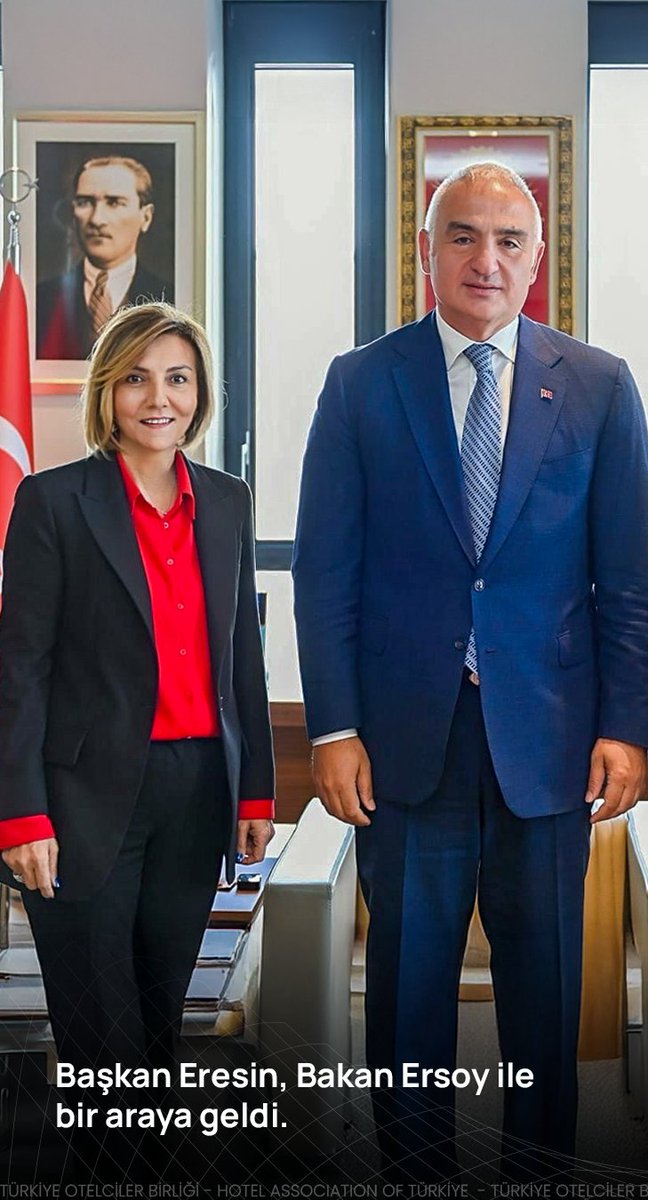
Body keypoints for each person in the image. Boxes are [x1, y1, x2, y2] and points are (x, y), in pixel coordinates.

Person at [293, 161, 648, 1180]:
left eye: (507, 240)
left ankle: (540, 1172)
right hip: (405, 745)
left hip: (551, 745)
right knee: (407, 993)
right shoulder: (362, 382)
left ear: (536, 259)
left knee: (545, 995)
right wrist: (333, 728)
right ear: (427, 251)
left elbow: (631, 581)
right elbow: (326, 572)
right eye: (462, 236)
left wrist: (627, 728)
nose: (484, 259)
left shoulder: (599, 385)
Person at [0, 303, 274, 1168]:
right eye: (137, 379)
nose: (159, 398)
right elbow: (20, 670)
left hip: (197, 794)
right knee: (101, 1036)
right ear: (107, 392)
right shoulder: (53, 502)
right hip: (81, 802)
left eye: (178, 378)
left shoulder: (226, 502)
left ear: (200, 393)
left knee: (158, 1029)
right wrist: (20, 814)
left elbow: (242, 658)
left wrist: (255, 792)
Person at [35, 156, 174, 361]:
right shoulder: (41, 298)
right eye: (84, 202)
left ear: (146, 217)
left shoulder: (170, 298)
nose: (96, 219)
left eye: (114, 202)